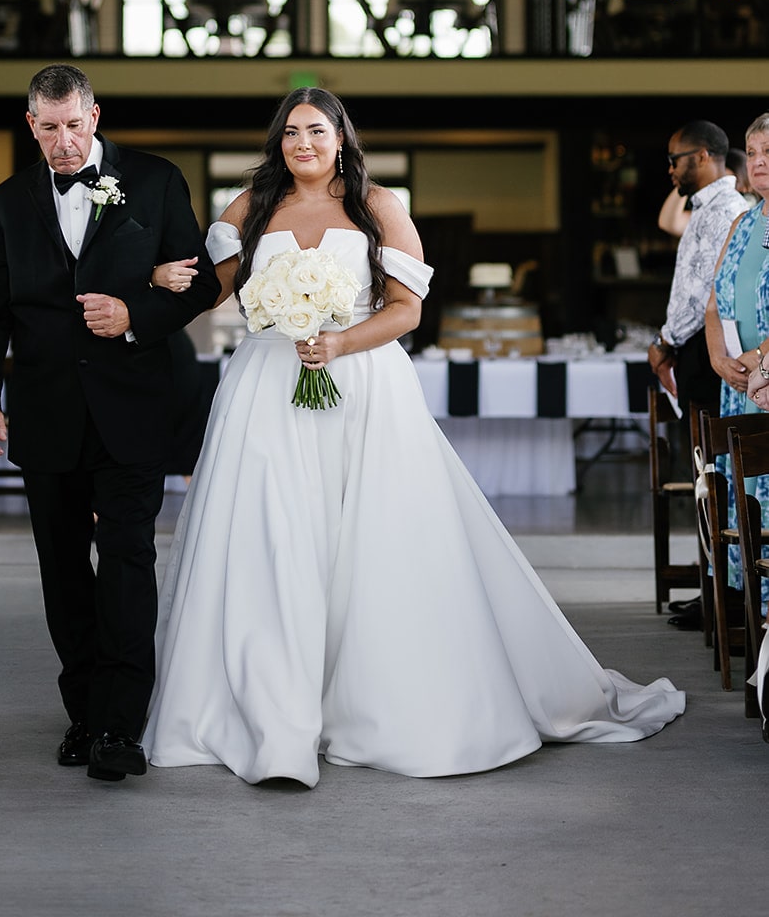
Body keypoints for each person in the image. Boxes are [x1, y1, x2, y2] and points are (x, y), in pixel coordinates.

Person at [143, 88, 684, 785]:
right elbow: (210, 293)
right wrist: (160, 276)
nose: (301, 143)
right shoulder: (247, 208)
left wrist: (338, 343)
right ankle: (272, 713)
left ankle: (369, 703)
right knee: (271, 539)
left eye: (315, 130)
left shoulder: (379, 206)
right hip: (265, 391)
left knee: (372, 541)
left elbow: (405, 310)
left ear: (340, 137)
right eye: (289, 133)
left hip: (361, 385)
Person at [0, 64, 220, 783]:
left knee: (128, 560)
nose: (65, 143)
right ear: (31, 126)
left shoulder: (156, 180)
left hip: (134, 406)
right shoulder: (5, 204)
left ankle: (119, 726)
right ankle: (83, 711)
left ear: (95, 116)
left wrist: (137, 313)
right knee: (64, 570)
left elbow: (201, 282)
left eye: (75, 125)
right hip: (45, 413)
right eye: (50, 129)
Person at [705, 113, 769, 599]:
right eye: (753, 154)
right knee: (744, 502)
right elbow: (713, 300)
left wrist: (757, 355)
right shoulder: (744, 222)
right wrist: (718, 358)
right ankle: (751, 610)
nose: (760, 163)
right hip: (737, 384)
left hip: (766, 378)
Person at [647, 123, 747, 420]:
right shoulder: (706, 207)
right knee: (697, 457)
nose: (669, 169)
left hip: (707, 349)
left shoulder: (724, 210)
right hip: (694, 346)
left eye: (674, 160)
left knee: (703, 459)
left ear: (702, 156)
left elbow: (702, 292)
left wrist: (664, 342)